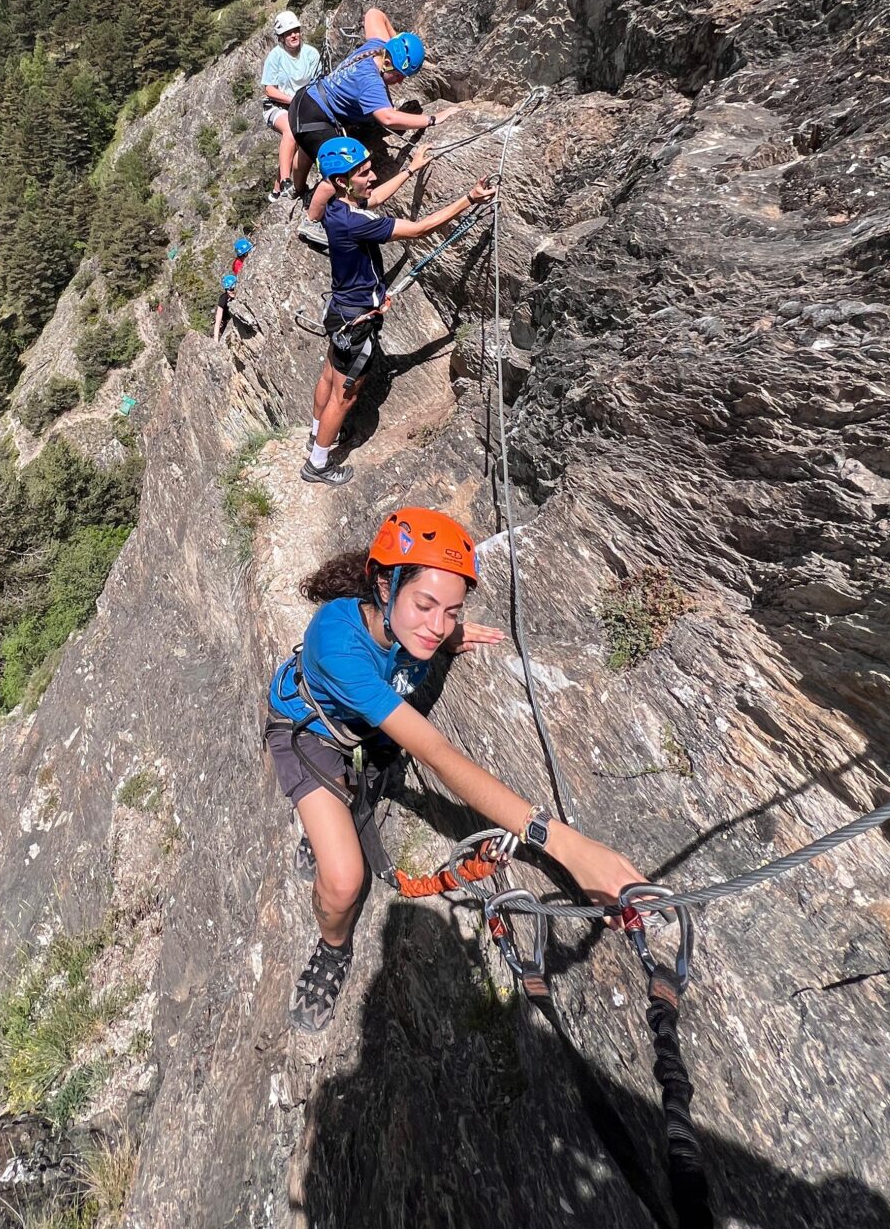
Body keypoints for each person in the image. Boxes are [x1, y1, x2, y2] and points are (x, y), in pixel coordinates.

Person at [265, 506, 647, 1032]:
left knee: (369, 785)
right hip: (311, 731)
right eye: (425, 604)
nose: (439, 624)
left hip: (366, 730)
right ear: (384, 584)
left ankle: (333, 819)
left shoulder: (419, 624)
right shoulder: (337, 643)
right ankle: (333, 947)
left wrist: (444, 634)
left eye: (452, 611)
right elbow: (439, 755)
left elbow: (429, 630)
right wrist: (564, 844)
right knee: (343, 880)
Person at [300, 136, 486, 486]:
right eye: (364, 173)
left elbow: (375, 197)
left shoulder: (337, 208)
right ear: (343, 181)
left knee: (329, 375)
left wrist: (410, 170)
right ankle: (318, 464)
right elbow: (419, 229)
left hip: (340, 311)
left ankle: (315, 435)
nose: (371, 177)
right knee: (345, 395)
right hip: (356, 322)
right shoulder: (355, 222)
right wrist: (469, 199)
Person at [286, 4, 459, 199]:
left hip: (305, 102)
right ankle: (314, 216)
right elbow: (388, 118)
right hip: (316, 116)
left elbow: (374, 14)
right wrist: (432, 119)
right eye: (398, 75)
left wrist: (395, 40)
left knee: (308, 147)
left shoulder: (379, 46)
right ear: (386, 64)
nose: (400, 81)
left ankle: (298, 190)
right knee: (344, 174)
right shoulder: (371, 83)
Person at [261, 11, 322, 202]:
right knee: (290, 130)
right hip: (278, 106)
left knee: (297, 145)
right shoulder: (276, 56)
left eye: (296, 31)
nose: (293, 35)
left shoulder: (311, 54)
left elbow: (317, 81)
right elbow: (269, 89)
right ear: (281, 37)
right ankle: (287, 181)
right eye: (288, 33)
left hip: (303, 104)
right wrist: (293, 99)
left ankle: (276, 190)